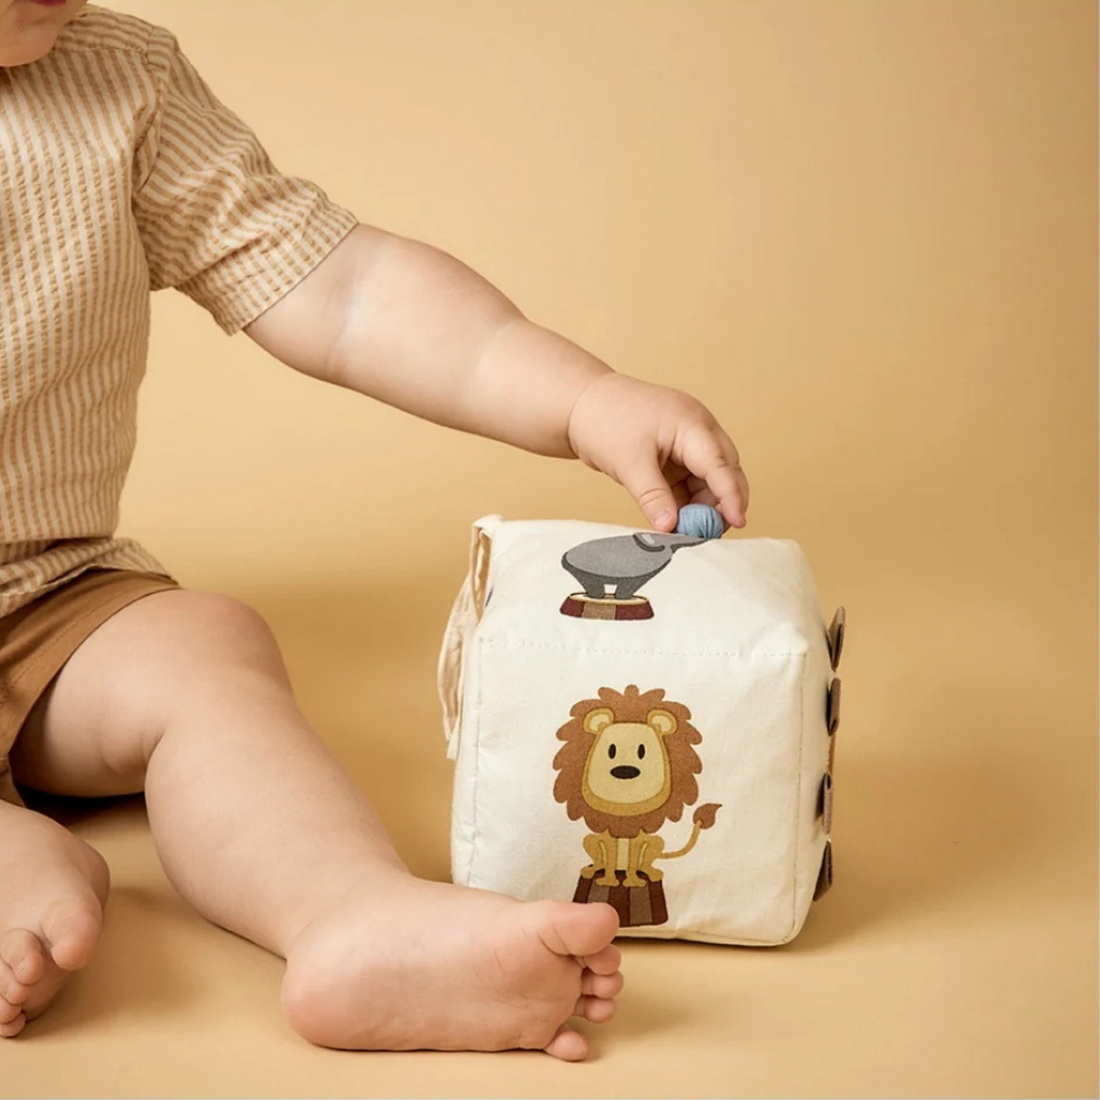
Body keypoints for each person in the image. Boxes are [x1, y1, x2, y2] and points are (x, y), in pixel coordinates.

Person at [0, 0, 749, 1059]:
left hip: (46, 591)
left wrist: (585, 398)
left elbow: (344, 291)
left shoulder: (119, 82)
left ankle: (349, 913)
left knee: (203, 652)